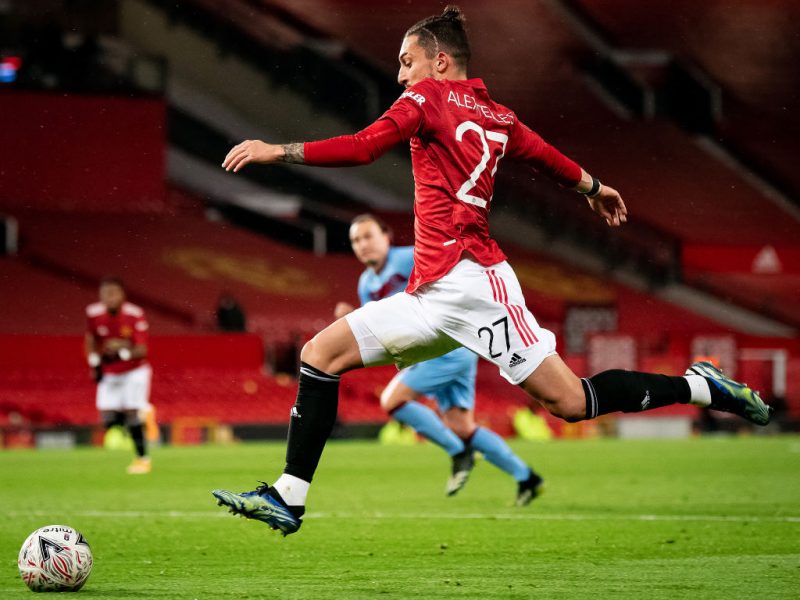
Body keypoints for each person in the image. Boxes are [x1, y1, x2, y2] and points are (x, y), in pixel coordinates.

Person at [213, 5, 772, 535]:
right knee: (319, 355)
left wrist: (276, 151)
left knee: (572, 402)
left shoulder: (427, 98)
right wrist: (594, 188)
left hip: (476, 283)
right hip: (431, 294)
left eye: (407, 61)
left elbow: (364, 147)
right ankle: (289, 496)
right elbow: (545, 155)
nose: (400, 74)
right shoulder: (499, 116)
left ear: (440, 61)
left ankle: (700, 385)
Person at [335, 213, 543, 503]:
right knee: (462, 427)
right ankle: (527, 478)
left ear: (386, 236)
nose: (362, 244)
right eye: (356, 240)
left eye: (368, 236)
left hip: (450, 348)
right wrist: (354, 318)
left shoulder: (410, 258)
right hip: (441, 352)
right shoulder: (365, 283)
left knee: (393, 400)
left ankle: (459, 453)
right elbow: (382, 323)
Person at [85, 276, 152, 474]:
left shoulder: (134, 314)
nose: (109, 297)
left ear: (122, 295)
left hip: (134, 370)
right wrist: (94, 363)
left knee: (131, 411)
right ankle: (136, 424)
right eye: (105, 293)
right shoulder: (93, 313)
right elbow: (90, 339)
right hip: (111, 372)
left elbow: (142, 350)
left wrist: (120, 353)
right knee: (107, 418)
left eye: (113, 293)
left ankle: (142, 459)